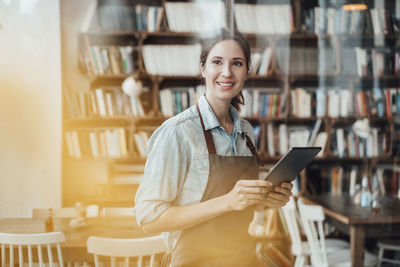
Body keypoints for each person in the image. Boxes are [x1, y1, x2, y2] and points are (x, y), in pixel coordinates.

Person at [134, 28, 293, 267]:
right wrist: (227, 201)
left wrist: (268, 199)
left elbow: (238, 206)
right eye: (217, 62)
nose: (227, 72)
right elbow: (149, 219)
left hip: (243, 259)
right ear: (203, 69)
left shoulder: (246, 131)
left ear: (246, 72)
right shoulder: (178, 131)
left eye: (237, 63)